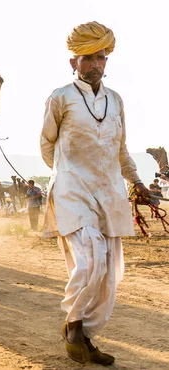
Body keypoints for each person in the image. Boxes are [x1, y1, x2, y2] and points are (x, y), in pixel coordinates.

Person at [40, 21, 150, 365]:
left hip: (109, 193)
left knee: (108, 273)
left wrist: (137, 182)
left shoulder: (115, 101)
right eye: (87, 58)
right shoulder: (60, 98)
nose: (95, 64)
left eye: (100, 58)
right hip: (73, 191)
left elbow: (121, 149)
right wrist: (66, 173)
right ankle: (73, 324)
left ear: (106, 61)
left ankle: (86, 336)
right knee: (89, 259)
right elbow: (46, 145)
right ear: (73, 62)